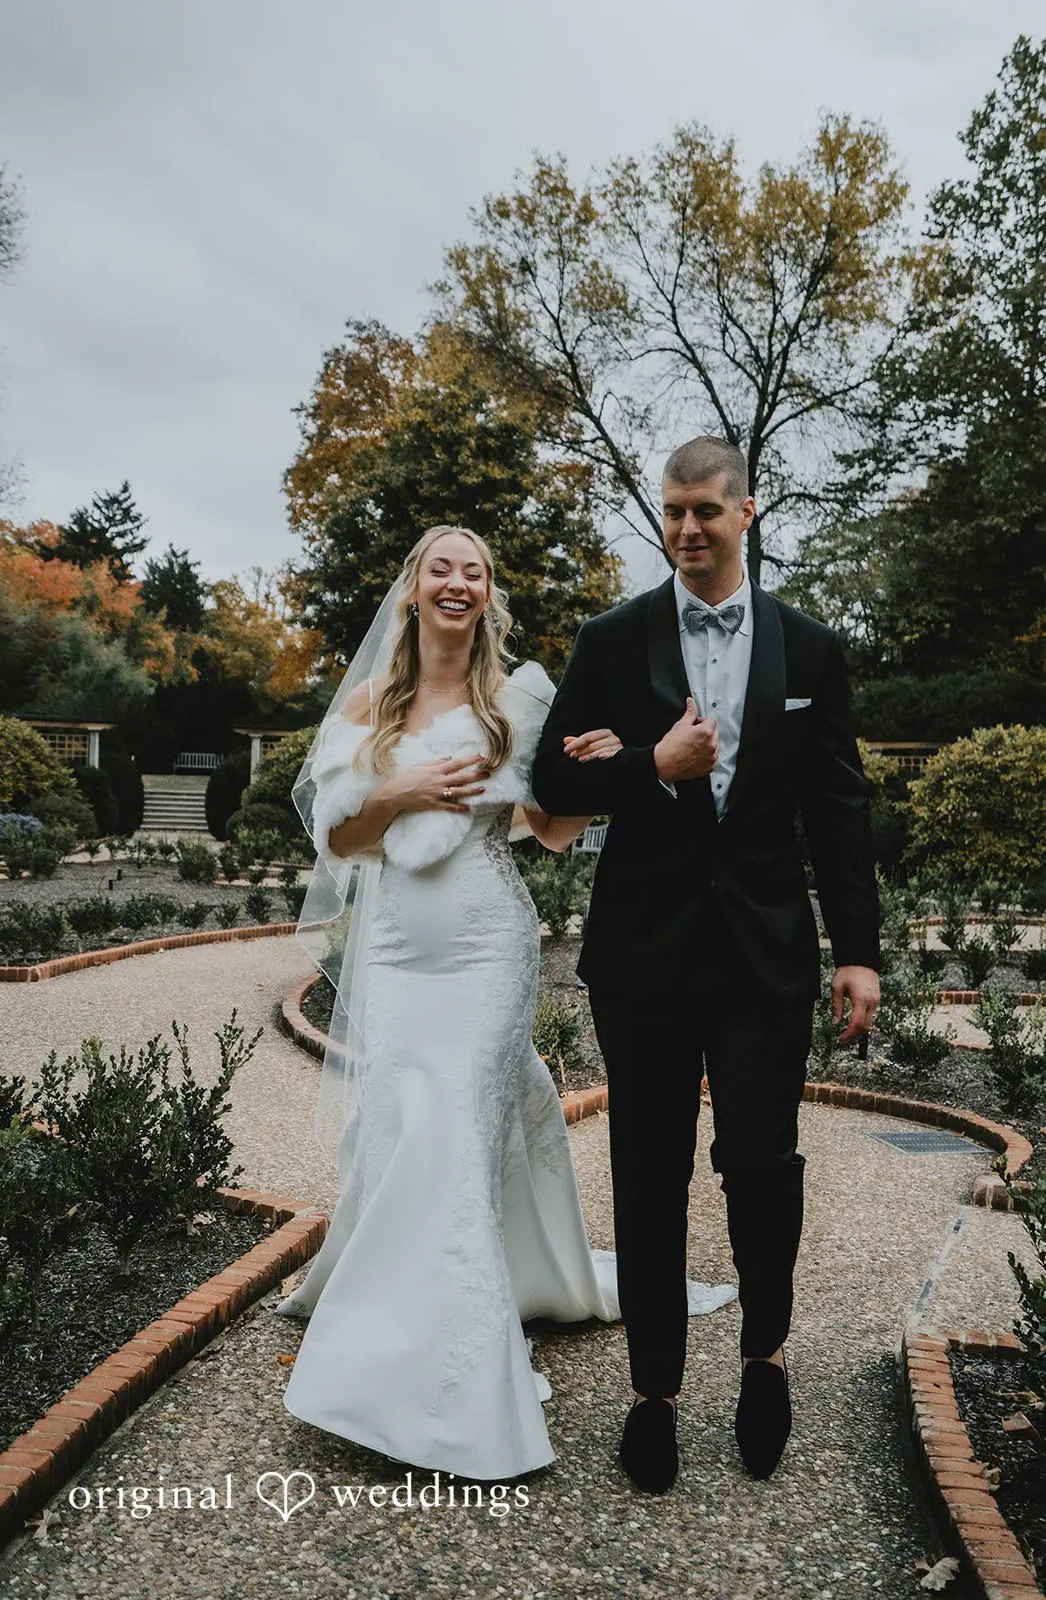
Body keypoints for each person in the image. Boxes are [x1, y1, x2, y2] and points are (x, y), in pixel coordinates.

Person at [273, 523, 737, 1483]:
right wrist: (397, 790)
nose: (458, 582)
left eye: (474, 572)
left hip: (488, 946)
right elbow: (343, 838)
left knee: (453, 1132)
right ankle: (399, 1322)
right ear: (413, 589)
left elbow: (553, 830)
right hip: (398, 949)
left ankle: (451, 1372)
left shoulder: (515, 696)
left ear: (486, 594)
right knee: (406, 1123)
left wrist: (610, 761)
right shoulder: (368, 702)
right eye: (441, 568)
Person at [530, 438, 881, 1492]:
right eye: (672, 512)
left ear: (747, 513)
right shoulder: (613, 637)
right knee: (648, 1174)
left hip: (763, 954)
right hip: (642, 953)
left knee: (761, 1163)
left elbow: (838, 806)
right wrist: (649, 767)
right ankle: (652, 1394)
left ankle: (763, 1360)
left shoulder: (808, 649)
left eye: (705, 513)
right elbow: (547, 777)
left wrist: (856, 950)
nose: (686, 529)